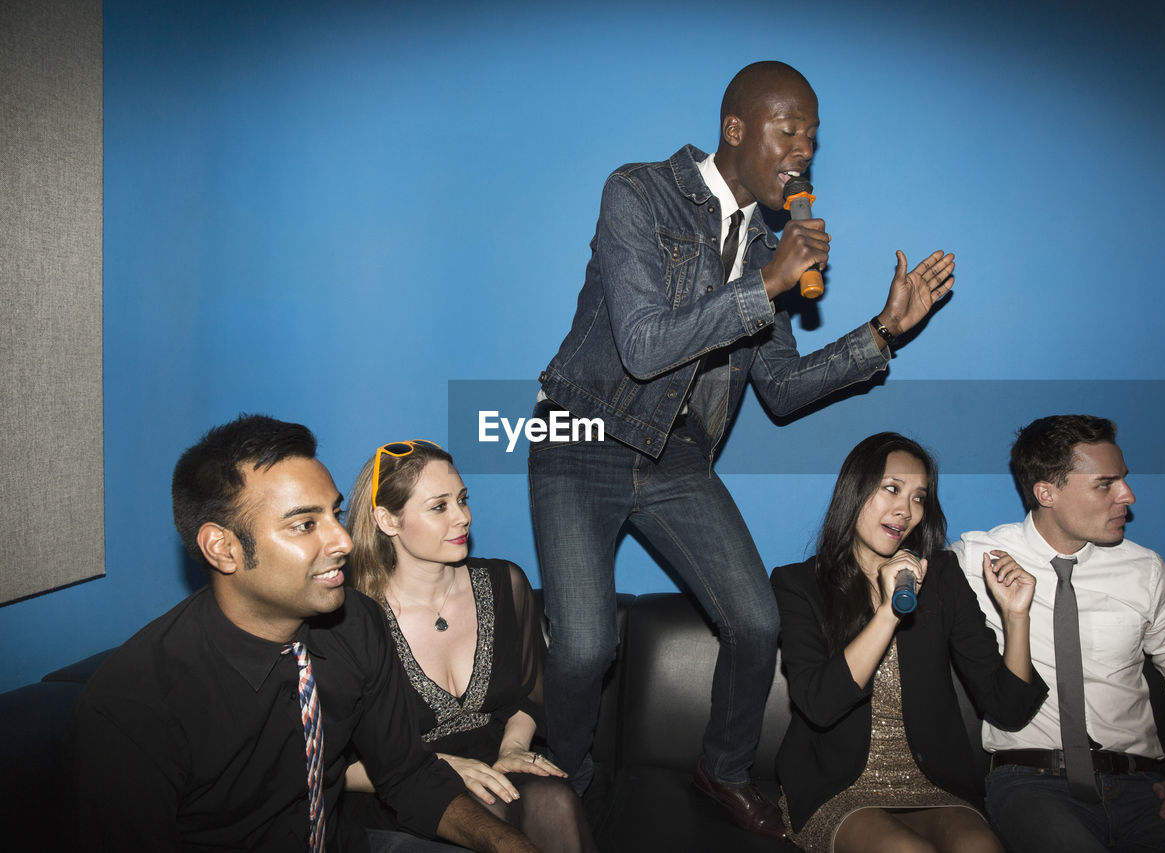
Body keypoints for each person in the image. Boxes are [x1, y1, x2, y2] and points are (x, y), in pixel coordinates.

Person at [528, 59, 956, 838]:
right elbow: (644, 345)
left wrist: (884, 331)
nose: (803, 151)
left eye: (813, 139)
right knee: (585, 645)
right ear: (735, 129)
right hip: (580, 430)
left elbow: (784, 387)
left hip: (676, 452)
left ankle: (721, 769)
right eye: (787, 129)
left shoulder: (768, 237)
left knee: (756, 623)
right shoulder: (639, 191)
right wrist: (766, 280)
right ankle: (568, 784)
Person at [67, 415, 536, 853]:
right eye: (305, 524)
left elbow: (408, 777)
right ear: (223, 548)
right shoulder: (134, 703)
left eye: (336, 514)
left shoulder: (358, 622)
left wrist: (510, 846)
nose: (344, 541)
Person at [950, 414, 1165, 852]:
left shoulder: (1145, 570)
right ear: (1046, 492)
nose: (1128, 495)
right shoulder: (976, 559)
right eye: (1105, 484)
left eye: (1122, 479)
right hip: (1031, 785)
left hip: (1144, 790)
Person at [772, 432, 1047, 852]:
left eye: (919, 498)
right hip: (838, 787)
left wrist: (1016, 616)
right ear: (855, 489)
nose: (906, 510)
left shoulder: (940, 576)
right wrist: (888, 612)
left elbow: (1007, 708)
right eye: (892, 489)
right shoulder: (798, 584)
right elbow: (819, 704)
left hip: (933, 784)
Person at [341, 439, 596, 853]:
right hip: (399, 788)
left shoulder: (503, 584)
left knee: (556, 801)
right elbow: (331, 763)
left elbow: (530, 694)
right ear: (388, 520)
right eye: (439, 506)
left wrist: (514, 746)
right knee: (485, 813)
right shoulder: (353, 617)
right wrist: (431, 768)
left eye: (462, 499)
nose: (463, 518)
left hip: (496, 764)